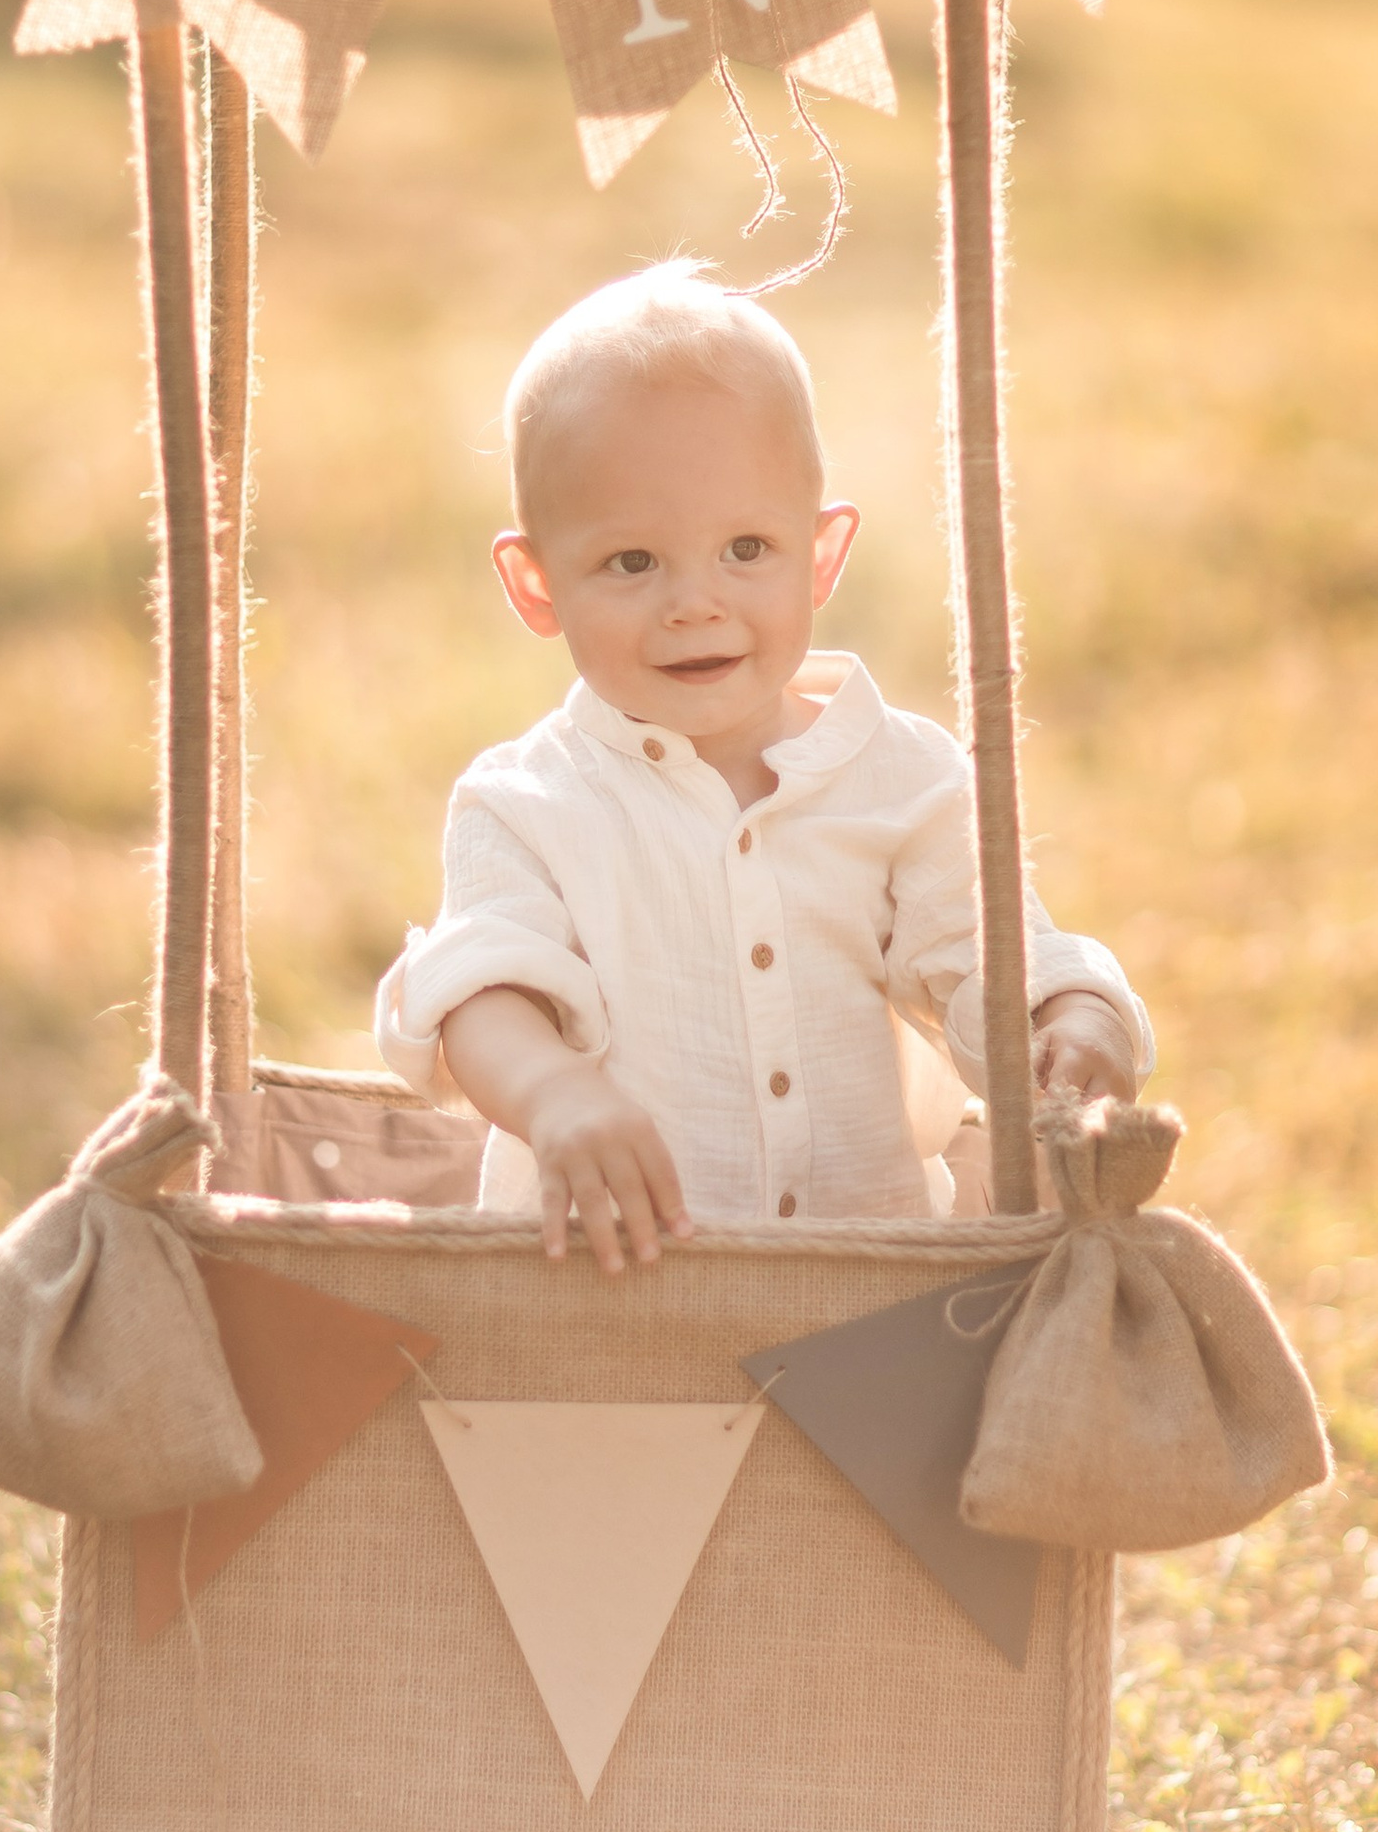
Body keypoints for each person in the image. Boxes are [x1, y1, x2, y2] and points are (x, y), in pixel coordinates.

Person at [373, 265, 1149, 1268]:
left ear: (820, 557)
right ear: (536, 586)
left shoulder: (902, 778)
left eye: (746, 547)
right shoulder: (526, 803)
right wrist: (553, 1094)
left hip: (866, 1286)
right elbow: (481, 991)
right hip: (604, 1296)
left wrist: (1070, 1011)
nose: (695, 602)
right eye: (632, 562)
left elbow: (985, 952)